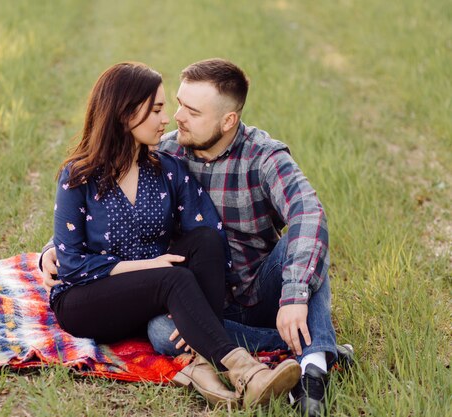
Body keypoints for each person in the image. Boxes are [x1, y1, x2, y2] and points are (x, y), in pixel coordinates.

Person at [41, 59, 346, 417]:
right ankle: (311, 348)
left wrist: (294, 295)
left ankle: (312, 370)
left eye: (191, 110)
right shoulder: (165, 150)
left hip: (254, 287)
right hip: (173, 293)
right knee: (159, 329)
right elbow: (88, 223)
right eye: (175, 104)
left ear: (227, 120)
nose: (175, 117)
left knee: (305, 244)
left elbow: (304, 213)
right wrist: (52, 248)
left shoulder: (255, 158)